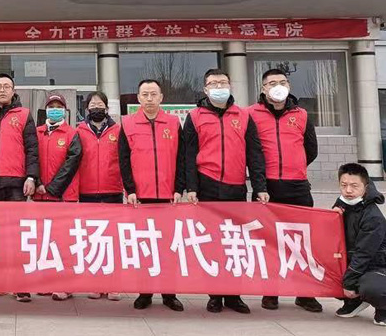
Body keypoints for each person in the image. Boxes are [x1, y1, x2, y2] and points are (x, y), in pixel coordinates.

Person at [183, 68, 268, 315]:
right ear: (205, 89)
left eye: (222, 82)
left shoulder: (243, 116)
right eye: (213, 83)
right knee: (213, 243)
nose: (218, 87)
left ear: (230, 86)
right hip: (207, 184)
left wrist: (260, 187)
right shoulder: (195, 116)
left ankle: (233, 295)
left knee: (234, 243)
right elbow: (188, 155)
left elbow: (255, 154)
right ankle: (214, 295)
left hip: (235, 187)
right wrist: (192, 187)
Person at [248, 69, 321, 313]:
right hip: (267, 187)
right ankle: (271, 292)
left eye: (282, 82)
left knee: (301, 242)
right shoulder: (251, 114)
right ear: (263, 88)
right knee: (268, 241)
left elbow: (311, 149)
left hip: (297, 186)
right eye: (271, 83)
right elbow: (252, 153)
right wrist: (259, 185)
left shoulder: (301, 114)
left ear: (288, 85)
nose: (277, 86)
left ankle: (305, 293)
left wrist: (294, 166)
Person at [120, 79, 184, 312]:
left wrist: (179, 188)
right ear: (138, 98)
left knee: (168, 247)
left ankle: (169, 294)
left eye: (153, 94)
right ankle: (144, 292)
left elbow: (182, 158)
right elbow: (123, 160)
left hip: (168, 197)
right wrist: (130, 190)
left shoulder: (173, 123)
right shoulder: (127, 124)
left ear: (161, 97)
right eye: (145, 94)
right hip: (140, 198)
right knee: (144, 246)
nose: (149, 98)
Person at [0, 73, 39, 303]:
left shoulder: (23, 115)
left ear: (14, 91)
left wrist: (31, 177)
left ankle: (20, 285)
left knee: (17, 235)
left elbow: (32, 149)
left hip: (17, 183)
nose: (2, 90)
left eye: (7, 86)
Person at [76, 91, 124, 301]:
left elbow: (125, 160)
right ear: (87, 108)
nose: (96, 107)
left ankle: (113, 284)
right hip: (86, 191)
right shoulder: (79, 131)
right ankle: (95, 283)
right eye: (93, 104)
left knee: (112, 239)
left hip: (112, 190)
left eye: (100, 104)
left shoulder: (118, 130)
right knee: (92, 239)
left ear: (106, 107)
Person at [33, 92, 81, 301]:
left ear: (65, 110)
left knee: (64, 242)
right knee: (44, 242)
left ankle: (65, 285)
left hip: (63, 197)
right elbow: (31, 159)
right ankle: (46, 283)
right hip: (40, 197)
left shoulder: (72, 134)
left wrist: (52, 188)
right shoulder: (36, 133)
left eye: (59, 107)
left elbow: (72, 163)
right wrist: (37, 183)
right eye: (51, 106)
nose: (55, 110)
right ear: (45, 110)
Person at [333, 163, 386, 326]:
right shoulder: (342, 206)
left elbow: (364, 254)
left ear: (366, 187)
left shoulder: (373, 217)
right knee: (326, 275)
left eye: (354, 186)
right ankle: (354, 301)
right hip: (355, 261)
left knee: (372, 288)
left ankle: (383, 309)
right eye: (344, 185)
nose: (348, 190)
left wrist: (349, 283)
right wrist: (332, 218)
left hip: (377, 265)